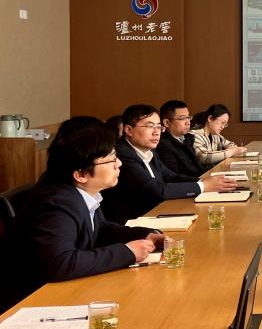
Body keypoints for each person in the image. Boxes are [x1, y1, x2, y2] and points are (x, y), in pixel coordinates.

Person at [0, 121, 162, 312]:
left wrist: (143, 235)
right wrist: (128, 252)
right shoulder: (57, 202)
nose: (119, 164)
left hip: (62, 290)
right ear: (81, 174)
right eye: (111, 160)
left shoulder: (82, 192)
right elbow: (61, 263)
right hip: (32, 303)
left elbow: (100, 229)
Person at [100, 104, 236, 224]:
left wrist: (204, 181)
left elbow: (170, 176)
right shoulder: (122, 154)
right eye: (150, 126)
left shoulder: (149, 150)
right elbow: (156, 190)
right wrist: (203, 186)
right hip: (131, 222)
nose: (156, 132)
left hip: (154, 213)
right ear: (129, 130)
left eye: (159, 127)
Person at [155, 100, 205, 177]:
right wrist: (203, 181)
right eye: (182, 118)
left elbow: (197, 168)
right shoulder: (162, 145)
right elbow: (175, 177)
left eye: (188, 117)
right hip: (190, 182)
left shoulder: (188, 138)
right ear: (167, 122)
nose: (188, 122)